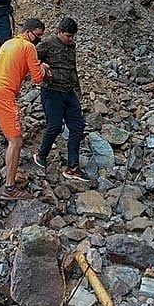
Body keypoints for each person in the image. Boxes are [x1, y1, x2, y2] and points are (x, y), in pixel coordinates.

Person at [0, 18, 51, 201]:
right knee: (16, 142)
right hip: (3, 95)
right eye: (38, 35)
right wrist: (44, 69)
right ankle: (9, 188)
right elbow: (37, 79)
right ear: (29, 32)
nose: (38, 39)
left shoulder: (9, 43)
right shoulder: (28, 47)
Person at [33, 18, 91, 183]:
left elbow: (72, 68)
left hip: (69, 91)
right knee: (55, 126)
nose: (70, 39)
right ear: (59, 32)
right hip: (51, 91)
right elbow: (30, 60)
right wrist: (42, 68)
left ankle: (73, 166)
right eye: (68, 36)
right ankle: (41, 155)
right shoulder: (47, 44)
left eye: (72, 36)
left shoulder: (71, 46)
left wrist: (78, 89)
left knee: (77, 126)